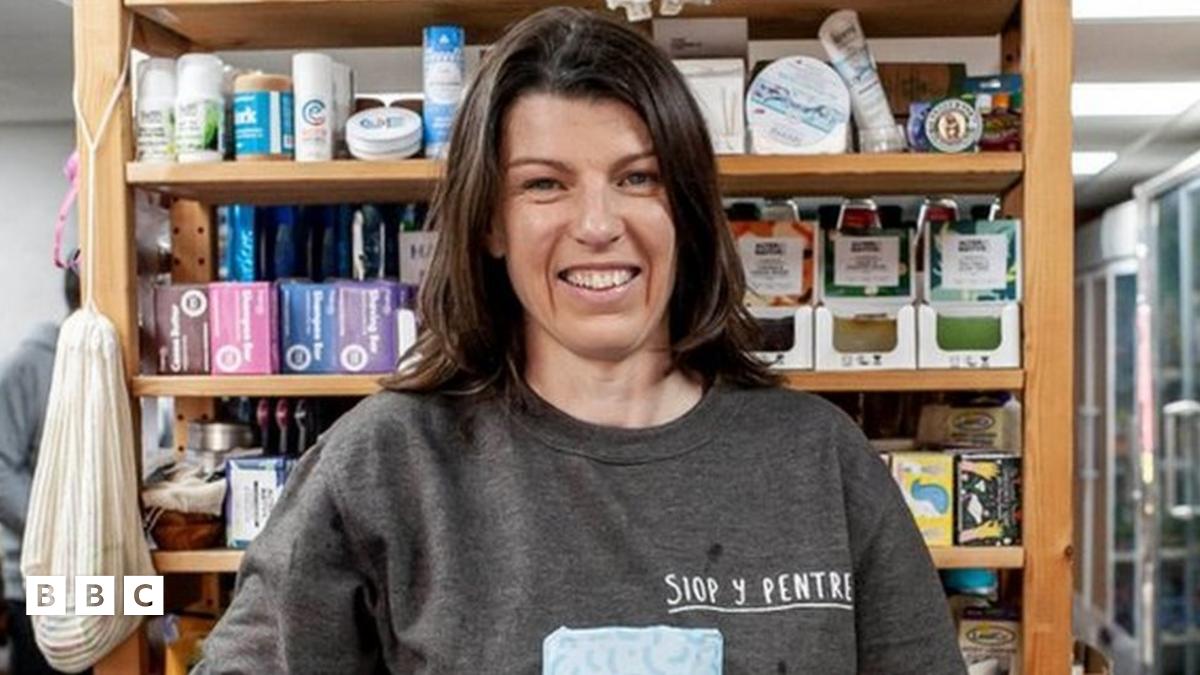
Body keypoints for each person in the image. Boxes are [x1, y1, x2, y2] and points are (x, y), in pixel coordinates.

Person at [195, 8, 965, 673]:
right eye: (544, 184)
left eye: (638, 178)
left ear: (687, 211)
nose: (598, 224)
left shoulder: (818, 459)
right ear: (491, 222)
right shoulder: (388, 463)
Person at [0, 268, 84, 675]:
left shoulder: (113, 362)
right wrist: (61, 533)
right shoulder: (28, 366)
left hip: (107, 580)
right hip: (42, 584)